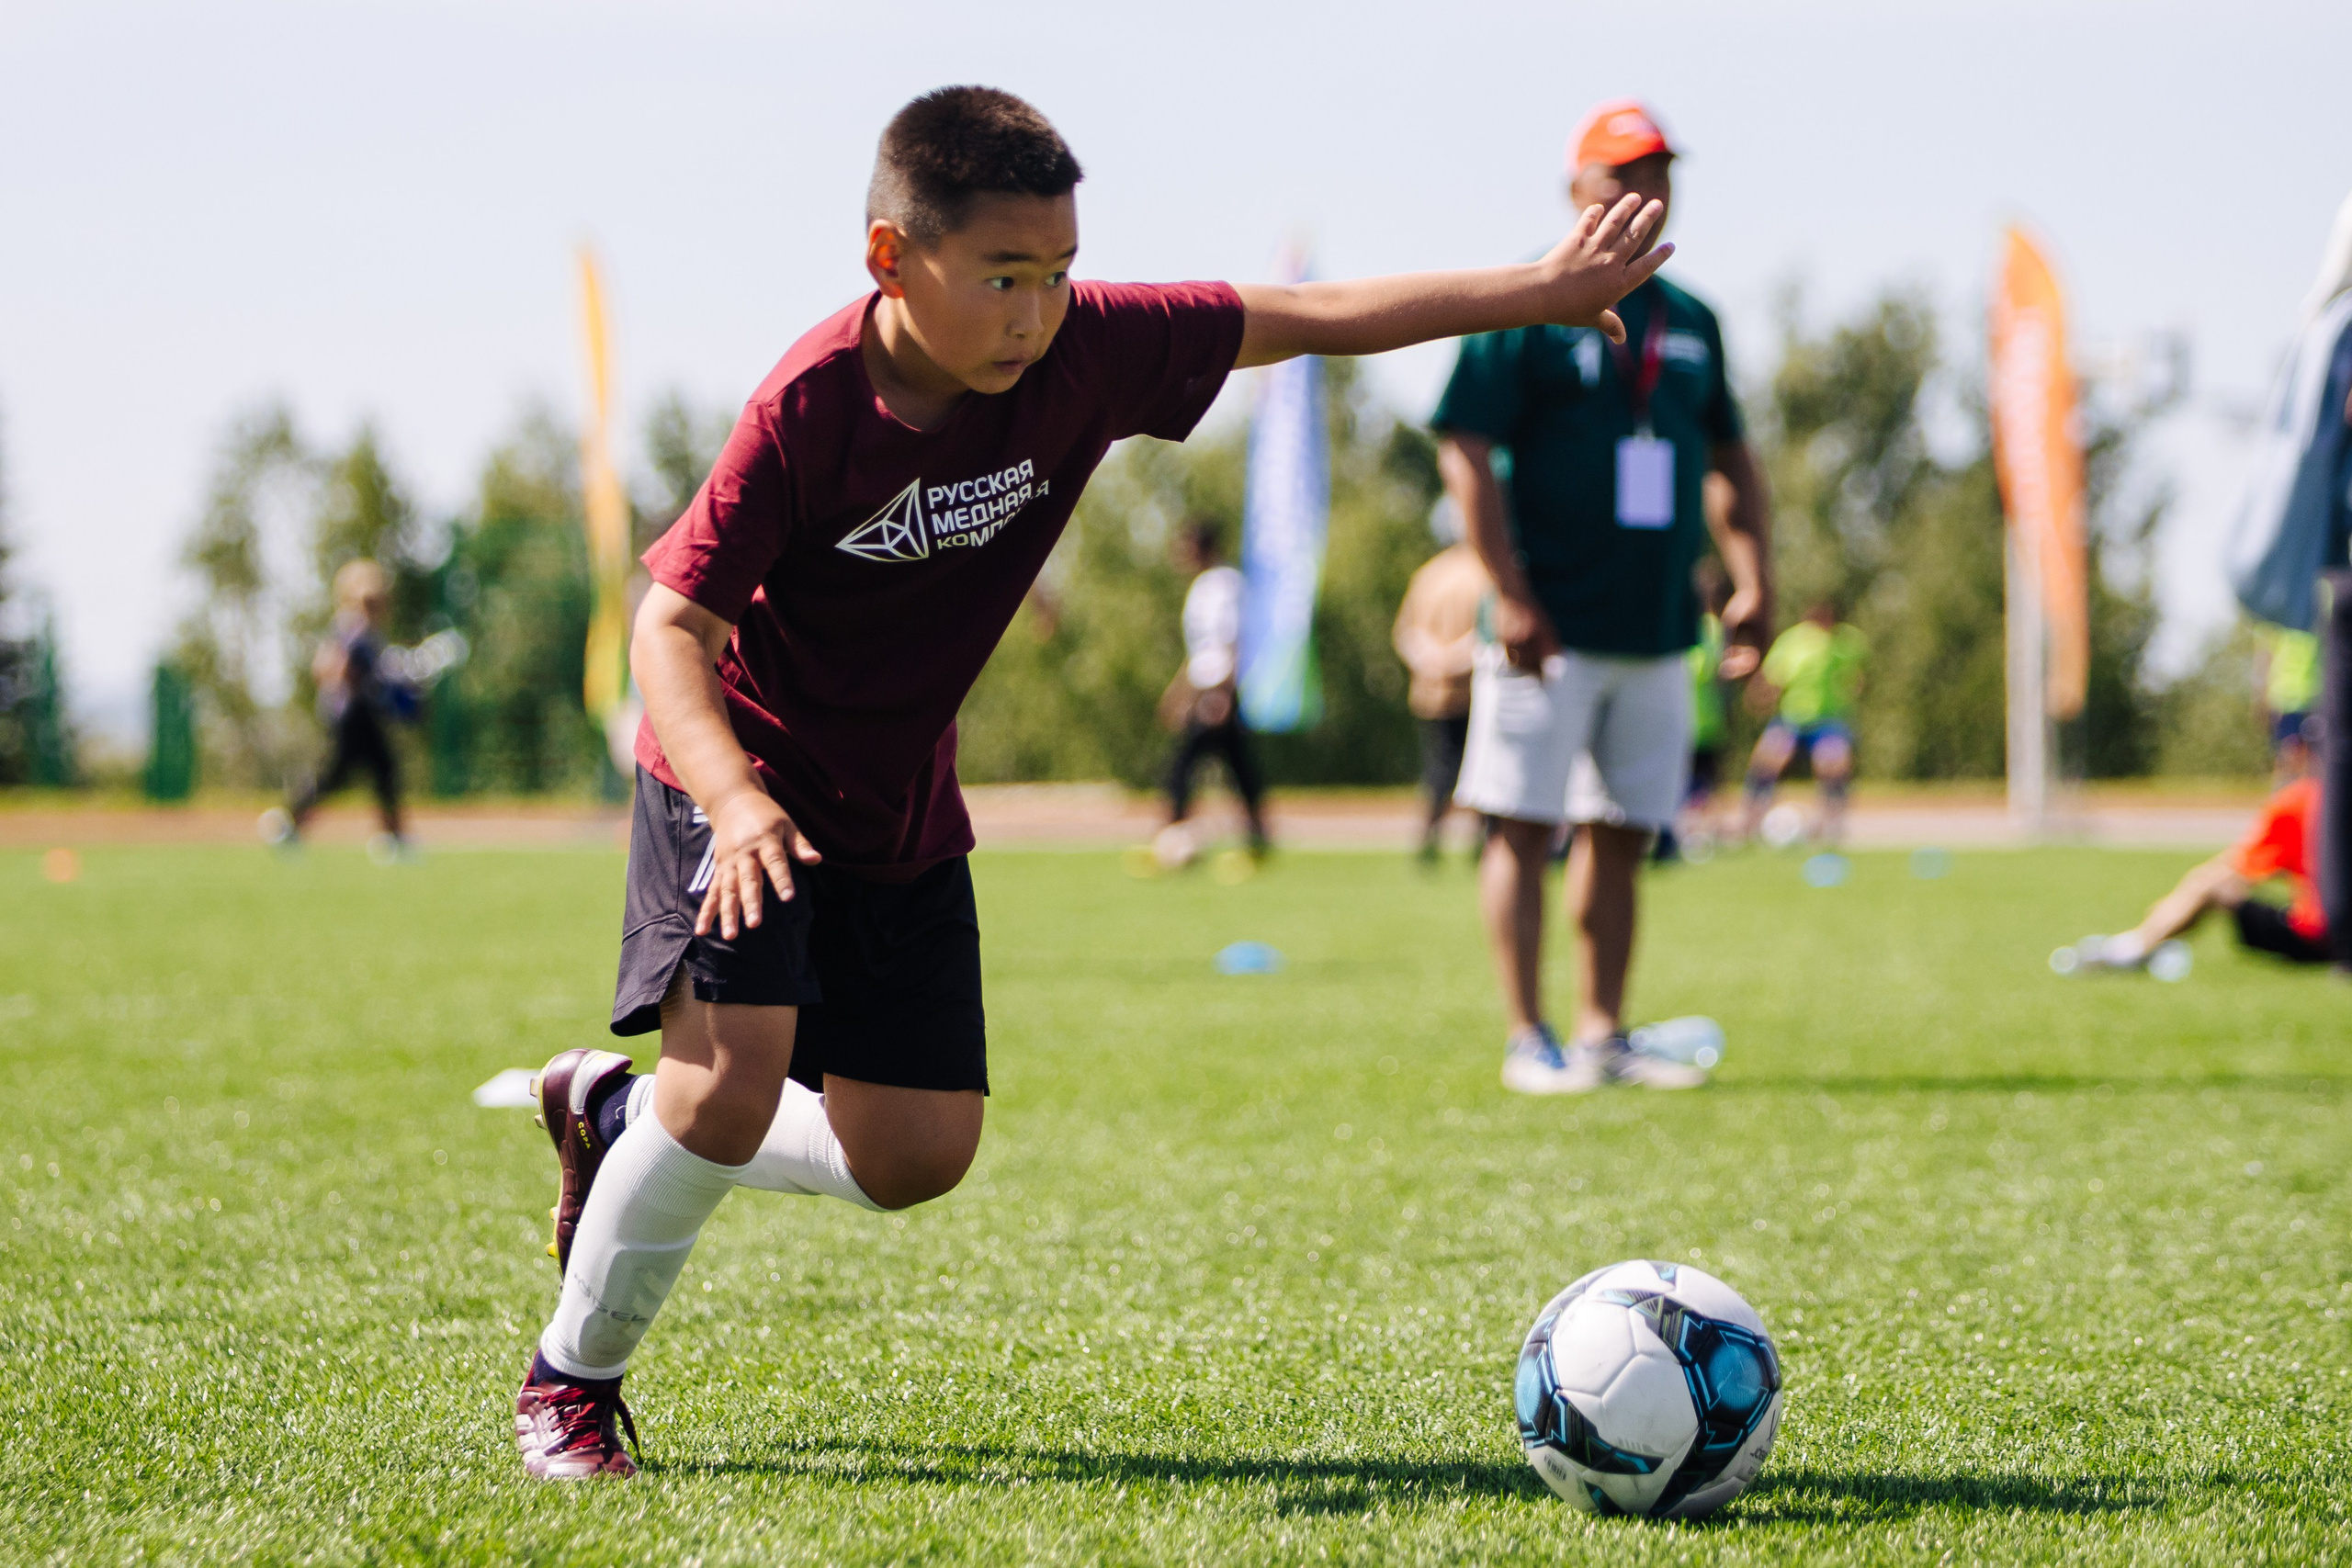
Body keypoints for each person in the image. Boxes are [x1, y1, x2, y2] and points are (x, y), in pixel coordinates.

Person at [512, 85, 1679, 1480]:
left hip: (896, 799)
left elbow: (1308, 314)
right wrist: (740, 796)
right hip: (737, 775)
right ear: (889, 256)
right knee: (732, 1085)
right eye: (1002, 277)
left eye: (1058, 273)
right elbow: (669, 629)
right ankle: (568, 1382)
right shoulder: (809, 405)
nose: (1036, 310)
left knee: (915, 1153)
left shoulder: (1089, 350)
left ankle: (617, 1118)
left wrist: (1528, 292)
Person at [1433, 98, 1771, 1097]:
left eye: (1659, 172)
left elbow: (1731, 461)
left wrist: (1754, 580)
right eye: (1621, 173)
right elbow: (1465, 446)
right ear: (1575, 190)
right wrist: (1510, 591)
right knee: (1522, 825)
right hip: (1547, 624)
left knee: (1624, 830)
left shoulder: (1693, 319)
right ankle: (1526, 1037)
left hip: (1658, 625)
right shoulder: (1524, 300)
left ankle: (1601, 1034)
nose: (1643, 191)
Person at [2059, 736, 2330, 971]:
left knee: (2211, 885)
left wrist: (2176, 906)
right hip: (2337, 934)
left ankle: (2129, 951)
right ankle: (2143, 943)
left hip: (2318, 936)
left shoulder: (2301, 800)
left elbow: (2235, 869)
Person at [261, 559, 410, 858]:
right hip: (350, 714)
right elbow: (328, 667)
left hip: (362, 713)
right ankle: (289, 823)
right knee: (340, 774)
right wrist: (356, 679)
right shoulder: (350, 628)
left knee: (382, 770)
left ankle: (393, 837)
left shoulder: (370, 632)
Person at [1154, 519, 1268, 870]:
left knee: (1184, 769)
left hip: (1219, 692)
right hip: (1203, 690)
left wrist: (1224, 694)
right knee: (1236, 767)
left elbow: (1231, 644)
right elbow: (1198, 653)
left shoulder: (1226, 585)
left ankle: (1173, 838)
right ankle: (1258, 841)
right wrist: (1178, 692)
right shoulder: (1201, 587)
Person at [1391, 503, 1489, 863]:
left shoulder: (1427, 575)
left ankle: (1429, 839)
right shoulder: (1487, 574)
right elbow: (1490, 634)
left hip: (1431, 692)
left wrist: (1431, 661)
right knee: (1481, 769)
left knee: (1439, 768)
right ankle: (1482, 841)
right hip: (1475, 691)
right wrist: (1454, 661)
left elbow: (1406, 633)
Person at [1740, 602, 1867, 846]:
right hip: (1793, 717)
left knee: (1832, 765)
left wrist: (1851, 691)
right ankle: (1750, 823)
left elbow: (1857, 677)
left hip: (1829, 719)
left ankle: (1833, 827)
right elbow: (1773, 678)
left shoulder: (1847, 641)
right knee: (1765, 763)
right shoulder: (1791, 641)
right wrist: (1761, 697)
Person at [2256, 625, 2321, 773]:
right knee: (2290, 753)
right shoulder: (2278, 619)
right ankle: (2288, 792)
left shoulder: (2317, 615)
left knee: (2315, 756)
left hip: (2315, 697)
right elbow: (2265, 657)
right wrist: (2262, 696)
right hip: (2286, 698)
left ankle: (2311, 794)